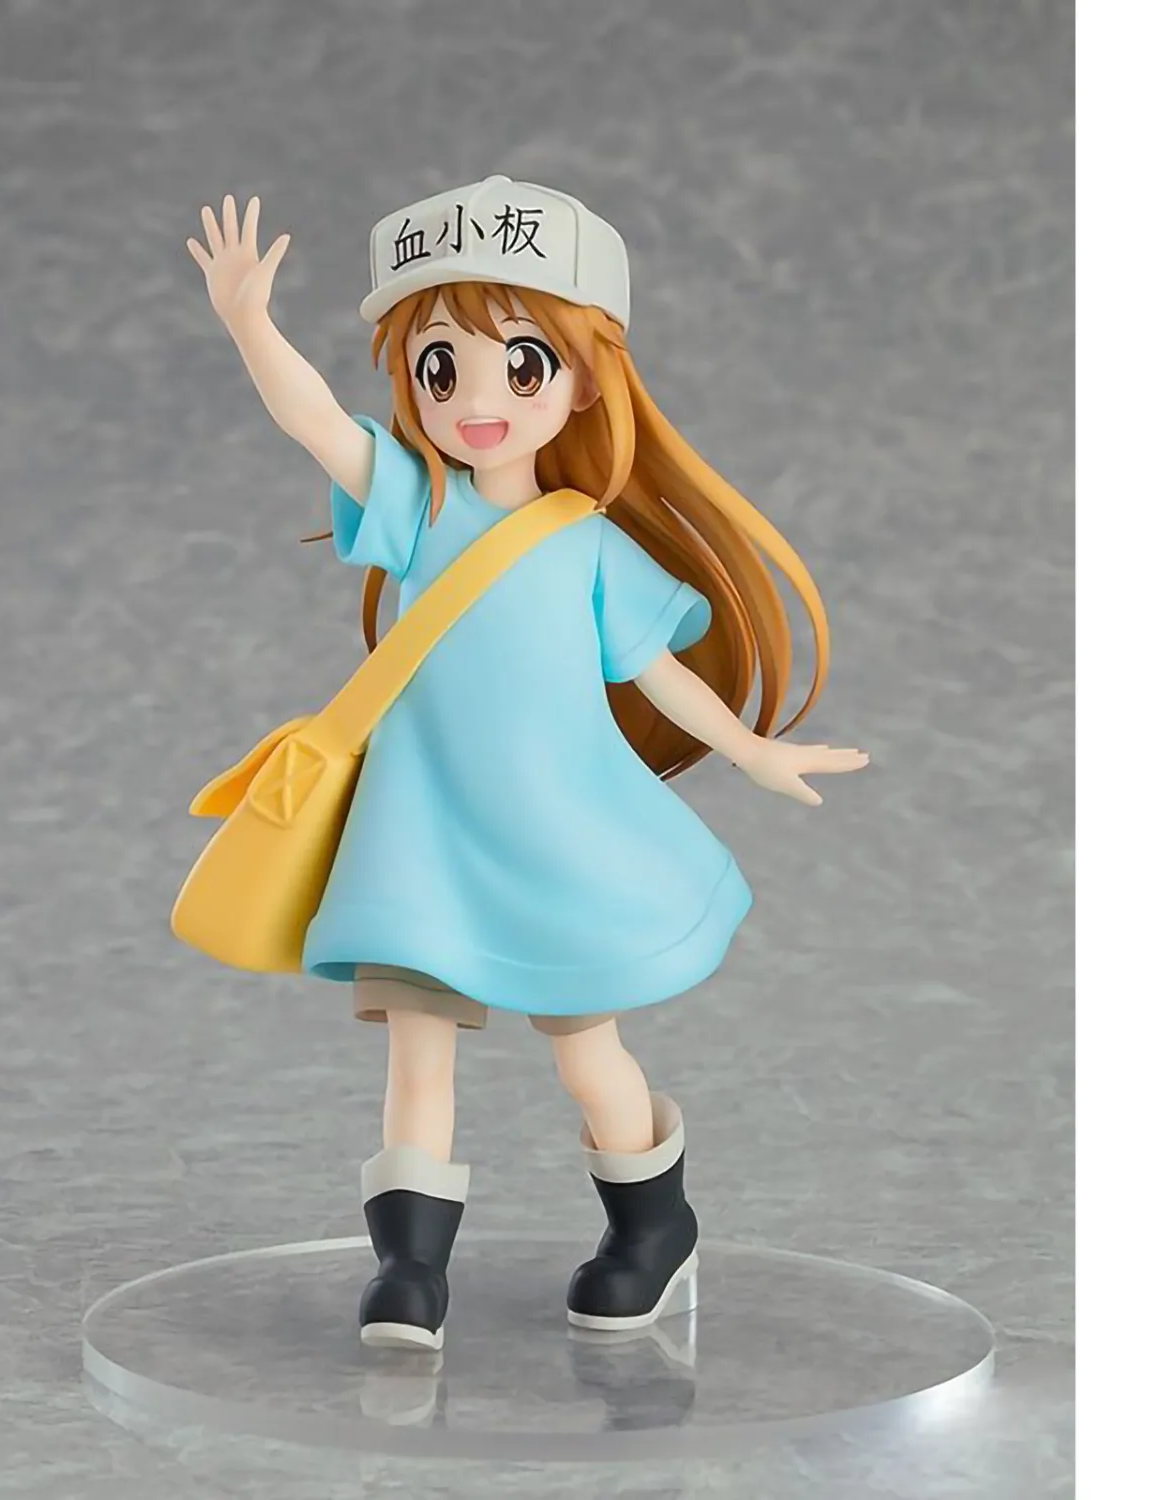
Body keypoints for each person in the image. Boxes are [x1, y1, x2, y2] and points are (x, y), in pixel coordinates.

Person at [184, 175, 869, 1352]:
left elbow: (657, 672)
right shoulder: (415, 504)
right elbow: (316, 422)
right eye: (440, 369)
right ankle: (409, 1270)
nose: (479, 400)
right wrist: (252, 327)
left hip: (558, 833)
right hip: (421, 836)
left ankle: (654, 1230)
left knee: (587, 1049)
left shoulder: (586, 544)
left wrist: (751, 749)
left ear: (585, 381)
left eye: (524, 364)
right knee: (416, 1050)